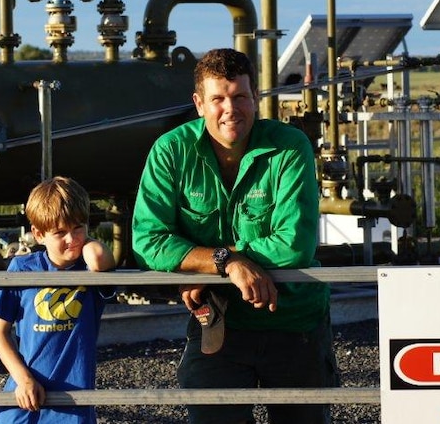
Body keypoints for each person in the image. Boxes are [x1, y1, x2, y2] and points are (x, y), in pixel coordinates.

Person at [132, 48, 338, 424]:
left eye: (240, 96)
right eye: (218, 99)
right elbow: (148, 240)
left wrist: (214, 262)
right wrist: (228, 263)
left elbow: (293, 245)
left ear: (255, 98)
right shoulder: (171, 152)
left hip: (293, 321)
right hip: (216, 323)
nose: (231, 109)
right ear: (199, 104)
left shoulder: (290, 147)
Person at [0, 176, 116, 424]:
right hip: (25, 397)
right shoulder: (22, 268)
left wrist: (83, 238)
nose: (72, 239)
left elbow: (100, 257)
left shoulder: (91, 272)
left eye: (79, 228)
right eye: (60, 233)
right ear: (38, 234)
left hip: (72, 404)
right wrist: (23, 378)